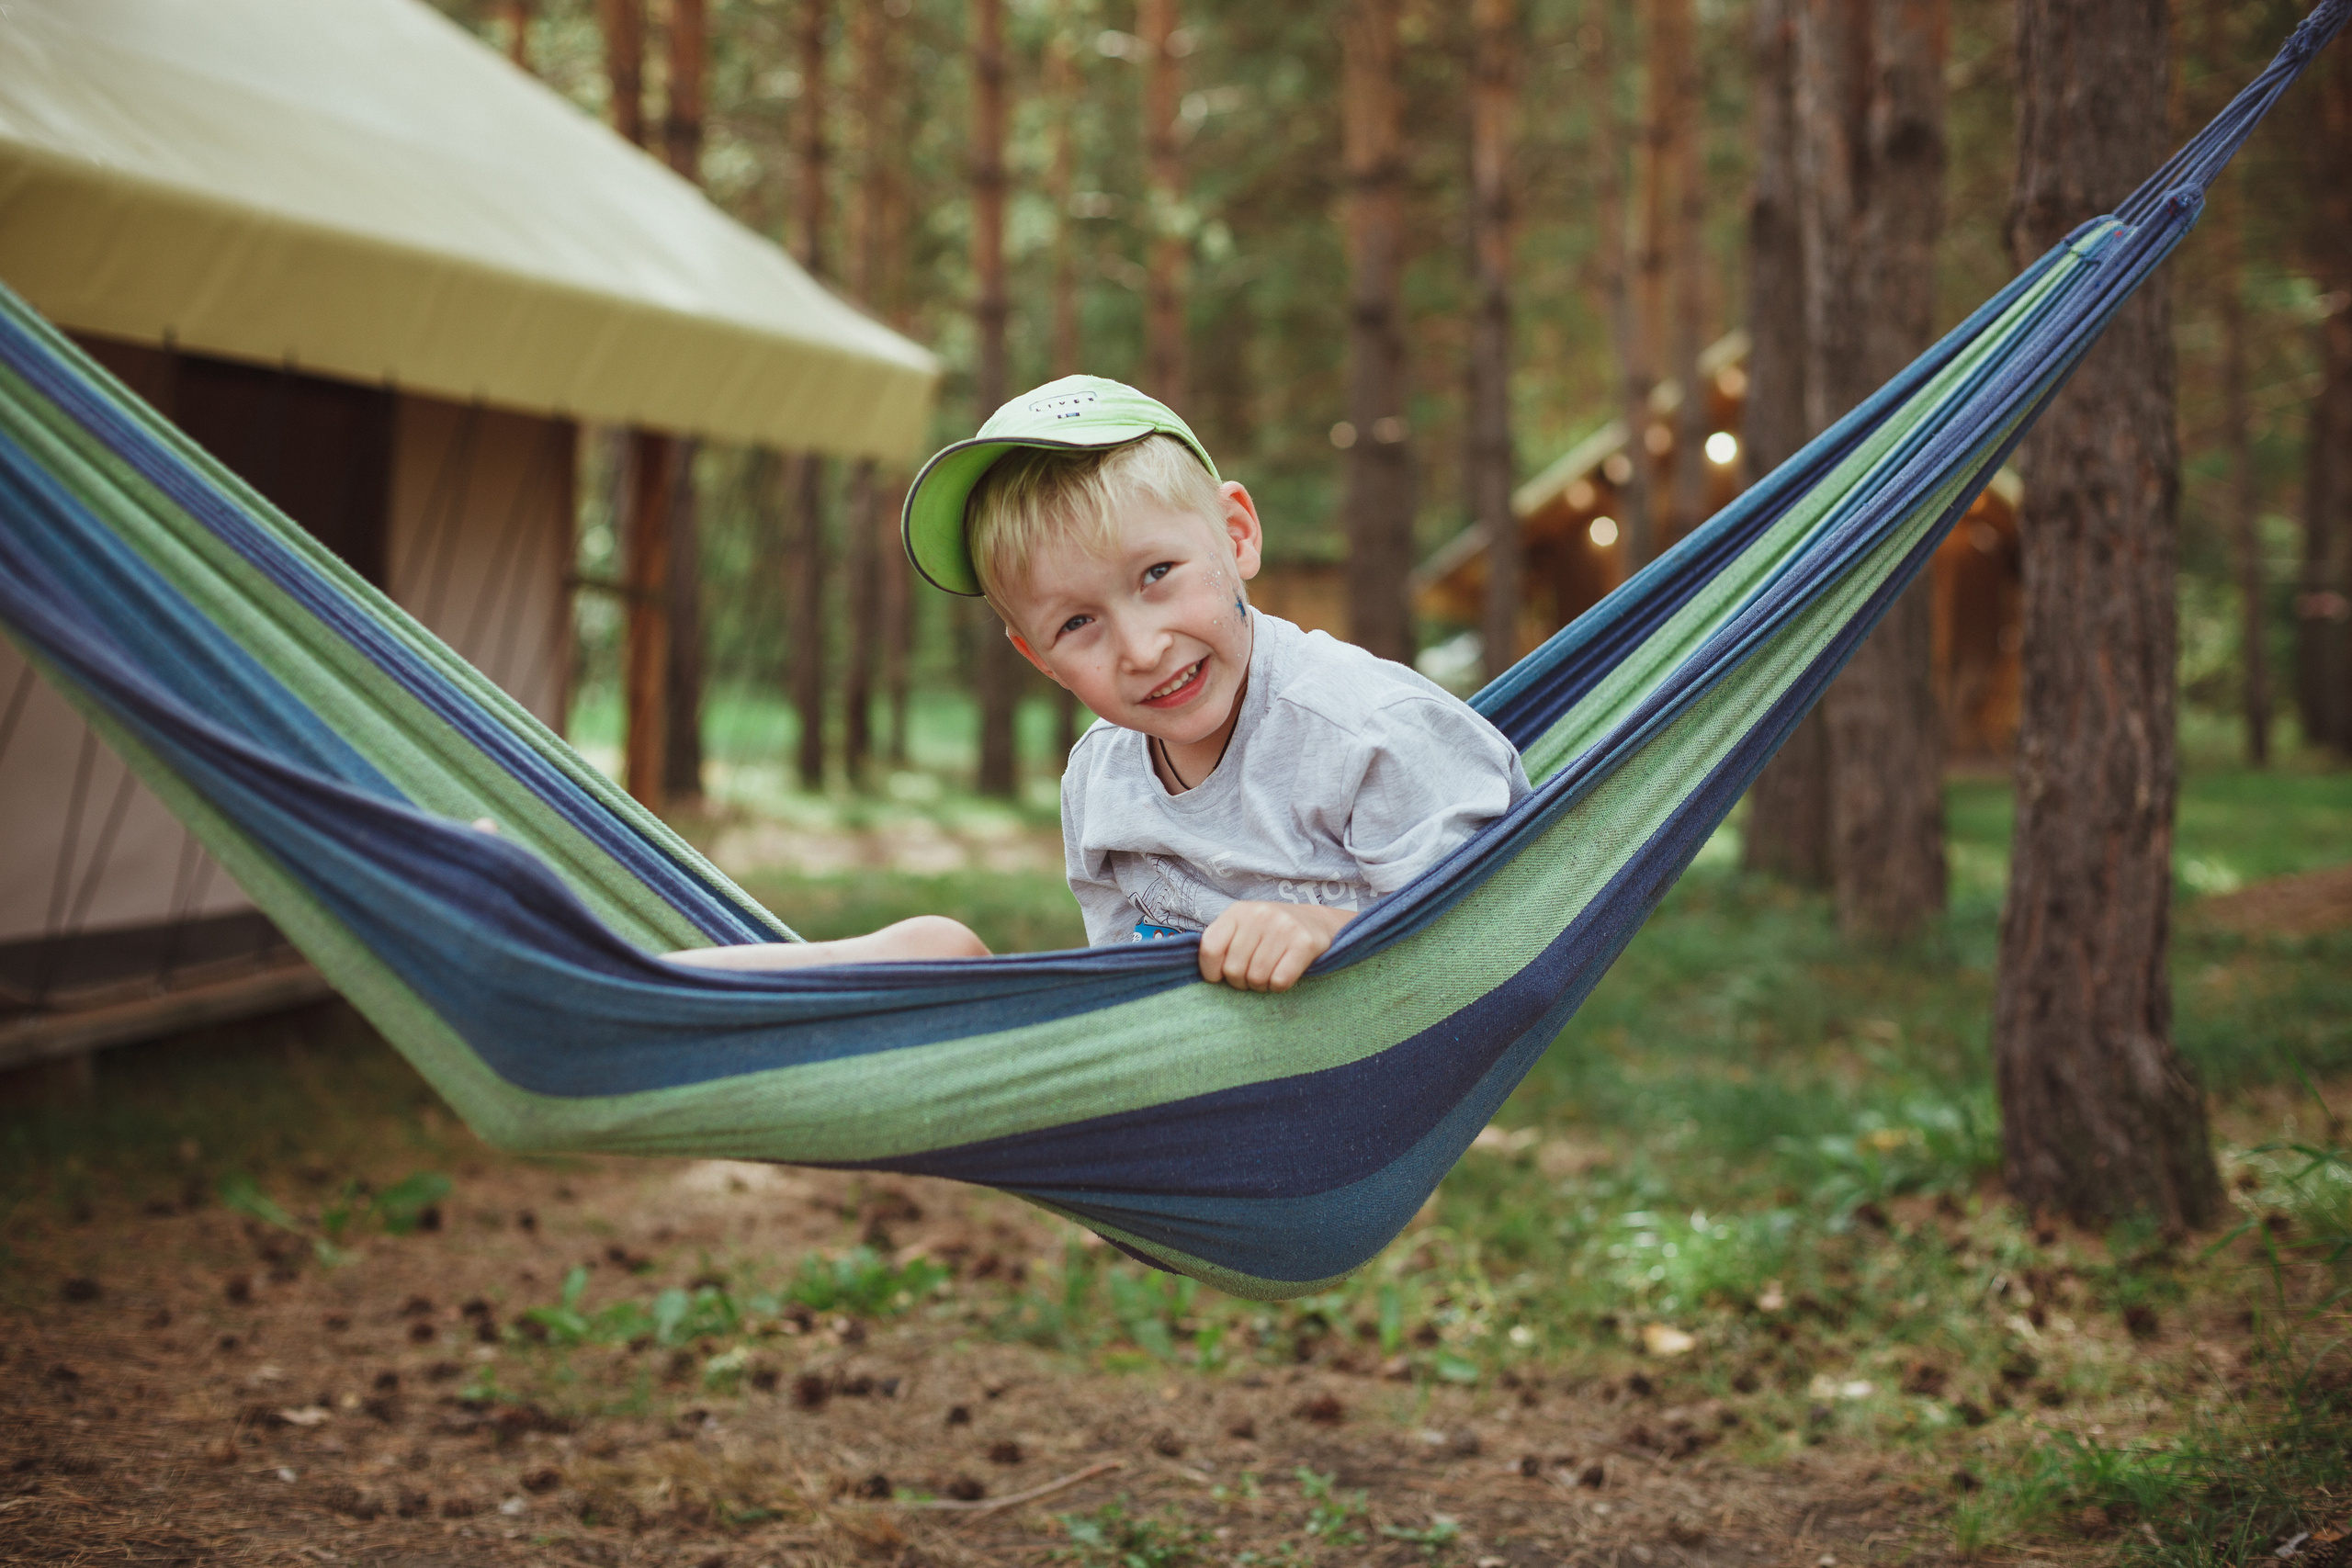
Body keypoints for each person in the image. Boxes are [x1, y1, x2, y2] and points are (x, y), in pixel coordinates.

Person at [670, 376, 1528, 992]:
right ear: (1038, 656)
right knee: (936, 953)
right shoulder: (1101, 777)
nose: (1142, 648)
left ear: (1236, 535)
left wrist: (1327, 928)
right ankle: (655, 992)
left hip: (1332, 1078)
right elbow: (1118, 993)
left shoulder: (1369, 729)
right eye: (1077, 622)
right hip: (1174, 1100)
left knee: (942, 954)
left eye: (1157, 573)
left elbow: (1507, 925)